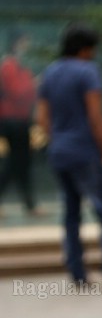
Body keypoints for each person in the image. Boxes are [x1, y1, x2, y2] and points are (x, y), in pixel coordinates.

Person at [36, 23, 102, 285]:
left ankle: (77, 272)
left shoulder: (50, 73)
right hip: (86, 150)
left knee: (71, 212)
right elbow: (96, 115)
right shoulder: (87, 72)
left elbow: (42, 118)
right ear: (85, 50)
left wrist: (59, 139)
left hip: (60, 151)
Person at [0, 27, 43, 218]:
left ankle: (29, 204)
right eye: (24, 42)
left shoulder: (20, 66)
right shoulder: (8, 66)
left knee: (21, 163)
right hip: (11, 121)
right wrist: (35, 84)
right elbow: (18, 92)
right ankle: (29, 204)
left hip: (20, 119)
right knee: (15, 164)